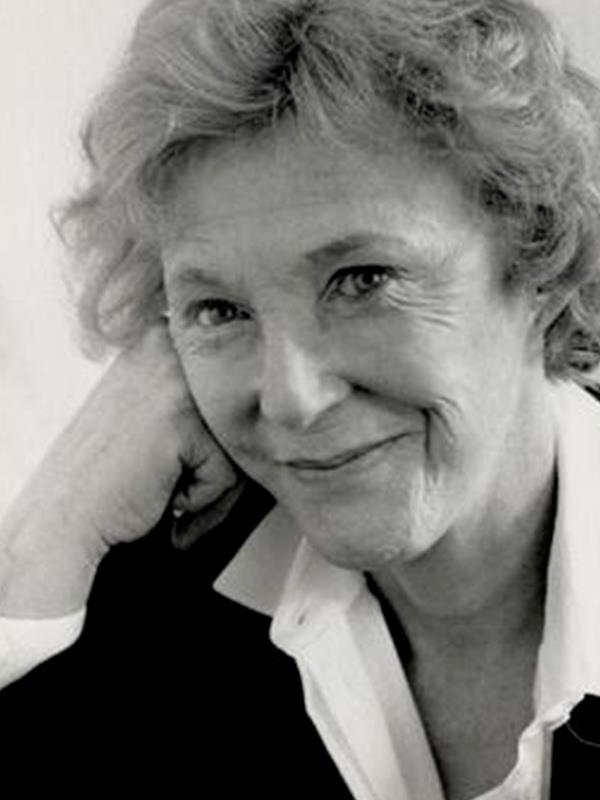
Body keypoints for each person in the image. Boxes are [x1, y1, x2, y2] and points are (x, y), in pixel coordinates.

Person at [1, 0, 600, 796]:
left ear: (541, 263)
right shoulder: (142, 614)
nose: (292, 399)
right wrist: (43, 536)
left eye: (364, 280)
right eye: (220, 310)